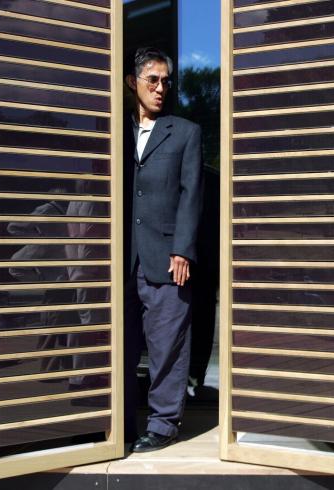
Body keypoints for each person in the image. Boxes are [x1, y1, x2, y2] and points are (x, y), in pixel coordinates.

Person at [123, 47, 203, 452]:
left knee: (168, 343)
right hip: (122, 259)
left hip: (168, 257)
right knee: (122, 343)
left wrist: (183, 250)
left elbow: (192, 194)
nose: (160, 88)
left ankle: (163, 424)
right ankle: (117, 421)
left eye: (165, 81)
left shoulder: (185, 132)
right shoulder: (116, 132)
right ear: (131, 83)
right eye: (152, 80)